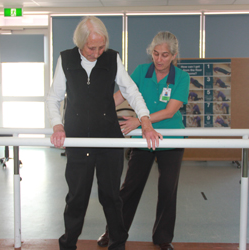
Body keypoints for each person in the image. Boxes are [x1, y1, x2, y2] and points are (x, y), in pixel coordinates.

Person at [45, 16, 161, 250]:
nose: (97, 52)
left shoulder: (112, 58)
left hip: (109, 140)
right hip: (77, 141)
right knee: (76, 198)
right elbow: (54, 97)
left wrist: (146, 122)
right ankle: (68, 245)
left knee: (111, 198)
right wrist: (58, 125)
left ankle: (117, 244)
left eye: (101, 47)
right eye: (91, 47)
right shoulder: (66, 59)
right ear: (80, 43)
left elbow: (131, 91)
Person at [97, 31, 190, 250]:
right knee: (130, 187)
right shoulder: (141, 71)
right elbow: (120, 96)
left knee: (168, 189)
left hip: (171, 138)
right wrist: (98, 111)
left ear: (174, 56)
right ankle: (113, 233)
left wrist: (140, 121)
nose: (159, 59)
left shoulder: (182, 77)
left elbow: (169, 111)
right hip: (142, 139)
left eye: (165, 55)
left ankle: (163, 237)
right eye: (156, 54)